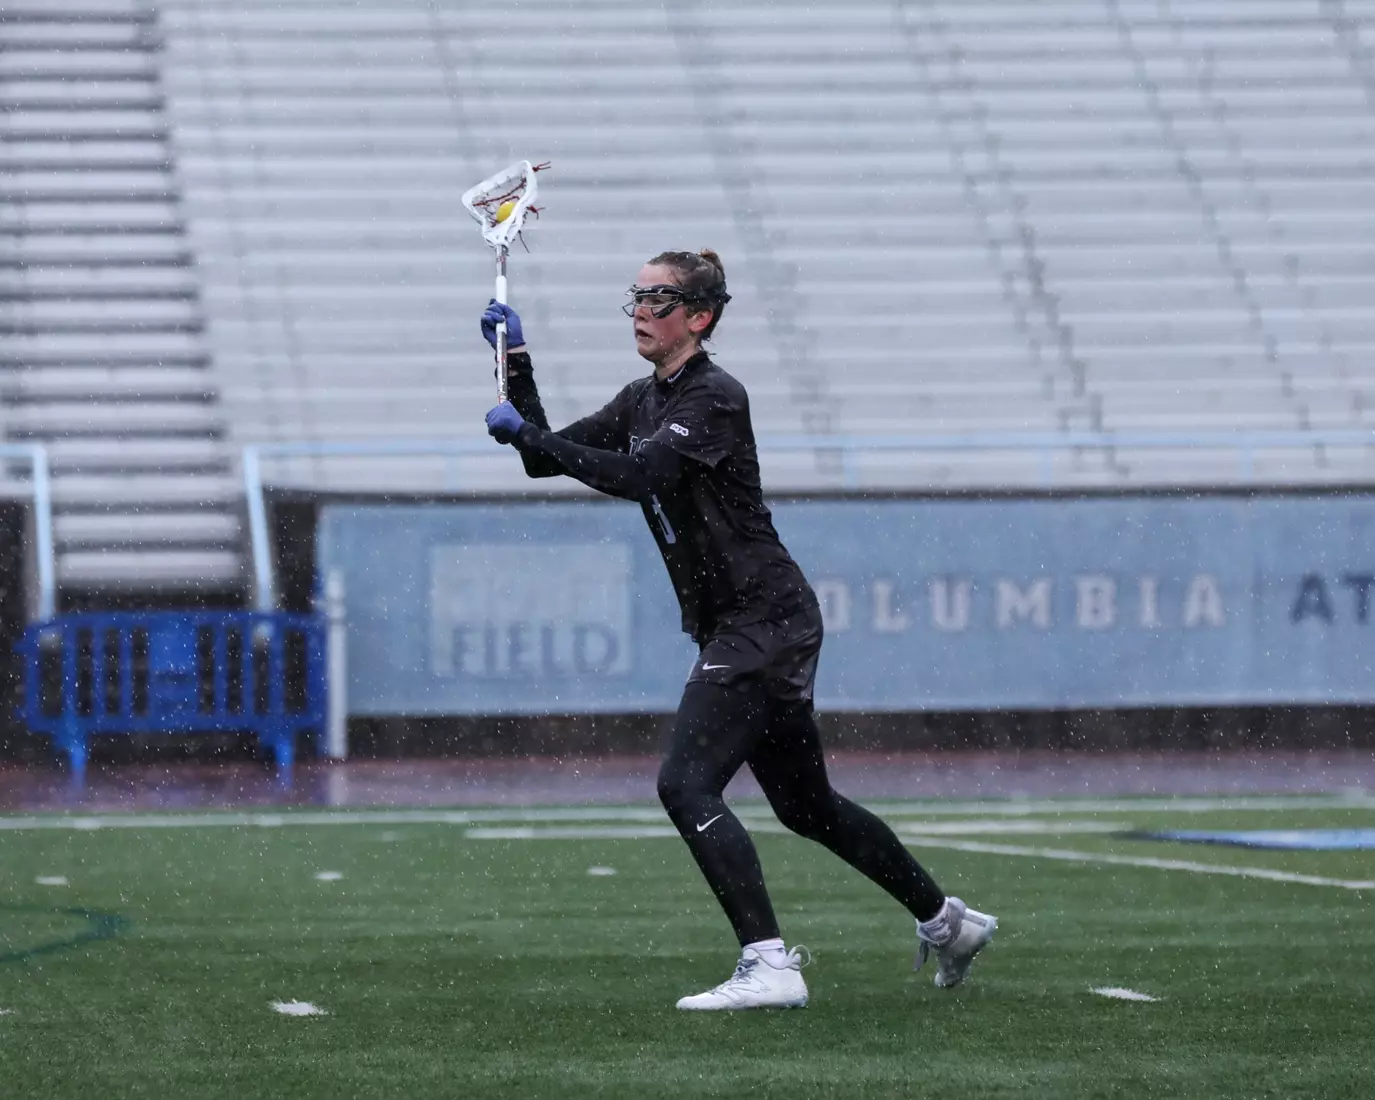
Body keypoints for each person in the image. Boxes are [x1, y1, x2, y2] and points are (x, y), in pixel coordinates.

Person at [481, 249, 997, 1010]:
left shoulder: (715, 396)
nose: (641, 311)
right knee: (807, 806)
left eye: (659, 299)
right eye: (636, 296)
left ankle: (770, 965)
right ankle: (947, 923)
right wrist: (515, 367)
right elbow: (547, 458)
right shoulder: (642, 397)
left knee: (685, 784)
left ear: (700, 316)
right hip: (747, 622)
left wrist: (529, 436)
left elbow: (637, 476)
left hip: (764, 619)